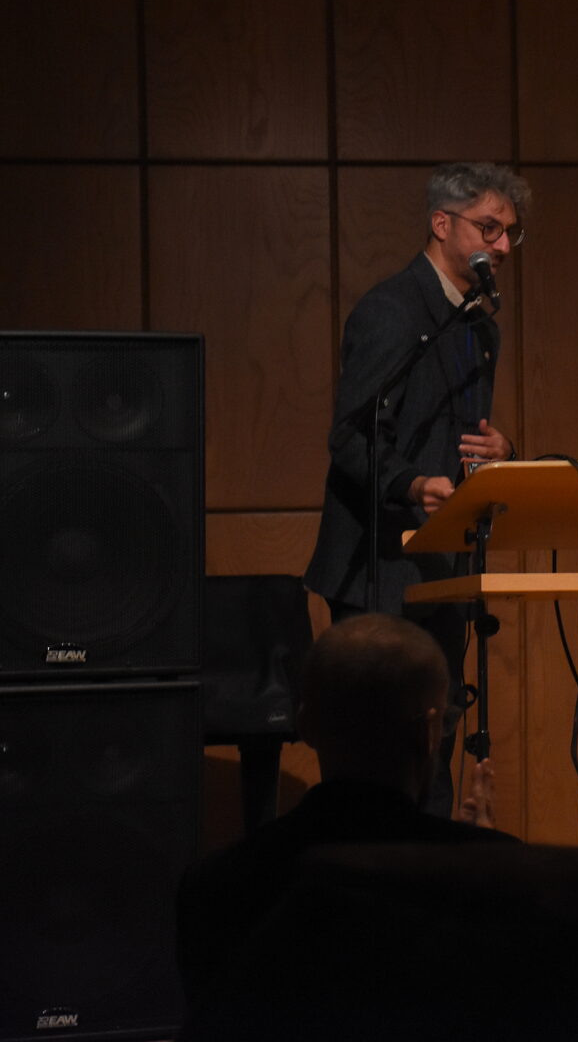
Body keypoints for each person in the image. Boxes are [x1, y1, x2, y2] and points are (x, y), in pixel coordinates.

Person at [303, 162, 527, 815]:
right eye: (490, 228)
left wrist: (502, 451)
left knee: (439, 727)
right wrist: (411, 482)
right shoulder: (393, 312)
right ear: (441, 224)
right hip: (379, 565)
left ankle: (427, 862)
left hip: (443, 563)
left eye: (511, 233)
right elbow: (350, 437)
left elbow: (462, 433)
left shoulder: (479, 325)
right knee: (375, 745)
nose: (503, 246)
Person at [175, 613, 518, 1018]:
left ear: (305, 724)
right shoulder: (498, 882)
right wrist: (492, 866)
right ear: (429, 733)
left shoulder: (214, 886)